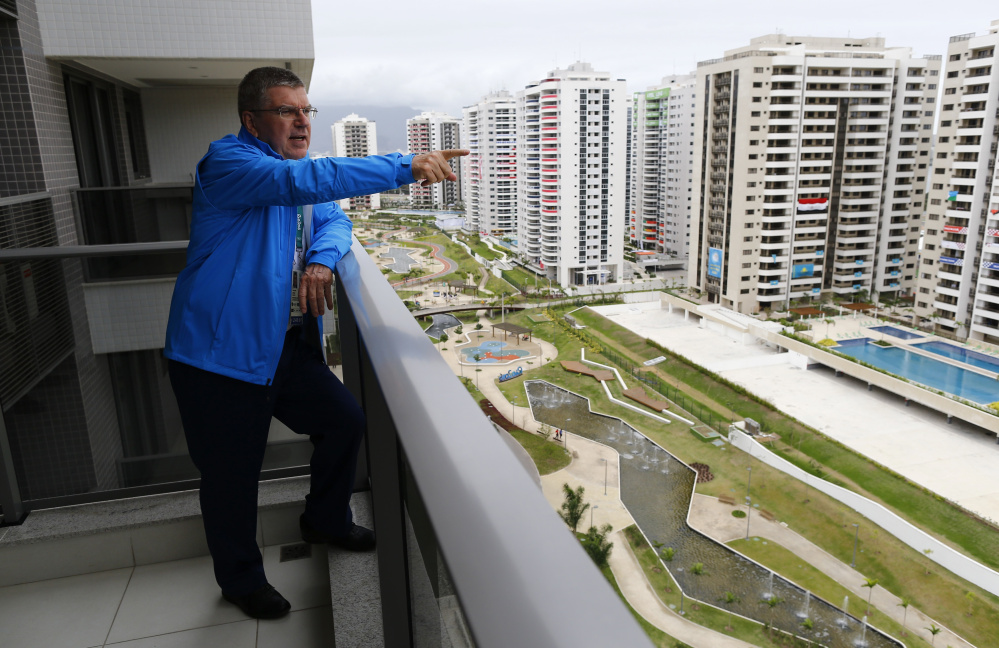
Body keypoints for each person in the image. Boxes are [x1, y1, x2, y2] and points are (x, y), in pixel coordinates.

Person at [164, 66, 467, 620]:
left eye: (307, 111)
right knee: (231, 477)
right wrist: (405, 165)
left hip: (282, 348)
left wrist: (322, 261)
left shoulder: (294, 170)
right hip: (219, 357)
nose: (302, 122)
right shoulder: (232, 165)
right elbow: (302, 186)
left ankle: (323, 520)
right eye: (287, 111)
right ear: (251, 121)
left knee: (345, 420)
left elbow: (333, 221)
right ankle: (240, 579)